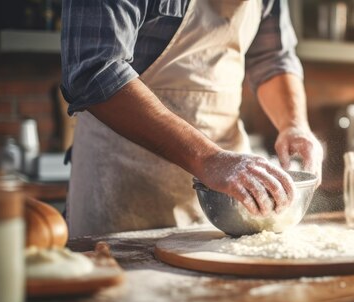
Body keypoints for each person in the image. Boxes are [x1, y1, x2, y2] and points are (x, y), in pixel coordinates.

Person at [61, 0, 323, 237]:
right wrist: (209, 159)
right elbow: (95, 71)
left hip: (227, 198)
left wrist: (293, 124)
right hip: (120, 189)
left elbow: (274, 59)